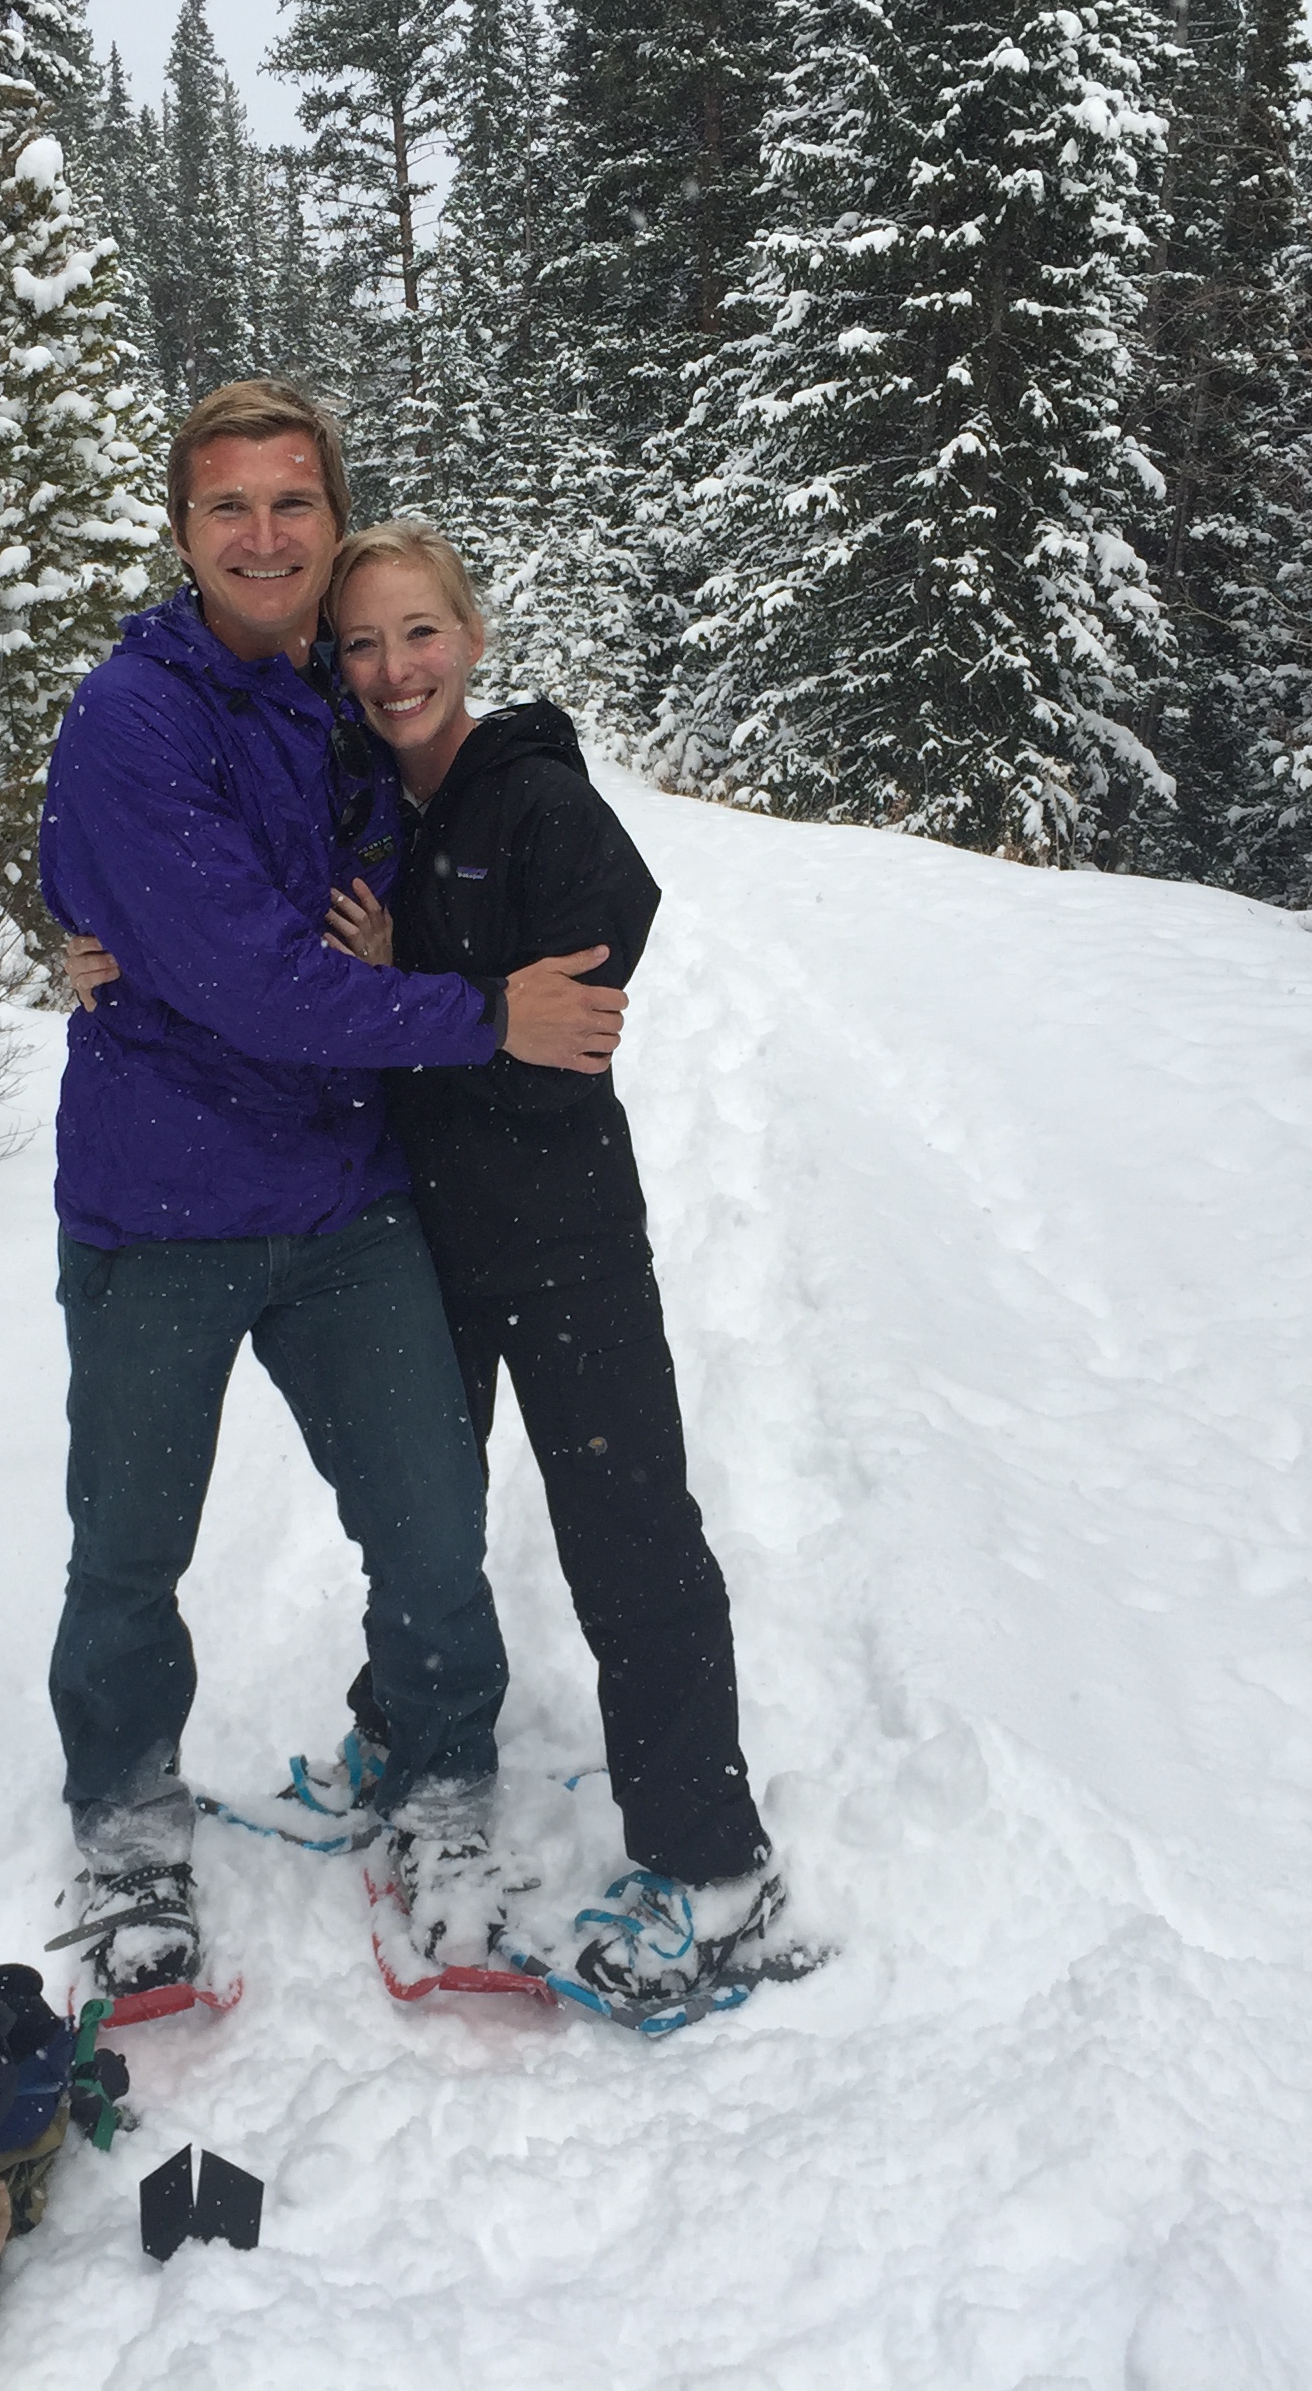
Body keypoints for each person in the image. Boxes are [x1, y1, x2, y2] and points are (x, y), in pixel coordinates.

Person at [69, 520, 800, 2019]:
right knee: (427, 1522)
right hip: (417, 1225)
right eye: (364, 643)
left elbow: (572, 1018)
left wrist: (420, 987)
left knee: (627, 1530)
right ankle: (401, 1740)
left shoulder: (531, 802)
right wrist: (95, 941)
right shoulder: (352, 793)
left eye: (420, 634)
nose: (394, 668)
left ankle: (716, 1868)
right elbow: (223, 914)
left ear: (471, 635)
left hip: (559, 1235)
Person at [33, 383, 630, 2001]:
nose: (265, 535)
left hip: (346, 1193)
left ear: (330, 517)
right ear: (182, 532)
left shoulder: (324, 696)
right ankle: (127, 1818)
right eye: (229, 507)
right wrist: (481, 1014)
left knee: (433, 1528)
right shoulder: (133, 716)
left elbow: (420, 826)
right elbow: (252, 979)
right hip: (161, 1208)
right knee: (131, 1545)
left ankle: (438, 1790)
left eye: (294, 504)